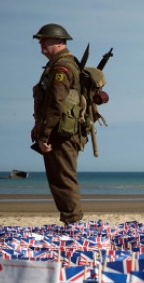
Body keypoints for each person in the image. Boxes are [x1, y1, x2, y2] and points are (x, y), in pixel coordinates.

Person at [31, 23, 85, 225]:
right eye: (40, 39)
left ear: (60, 42)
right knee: (60, 178)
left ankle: (73, 222)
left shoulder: (62, 67)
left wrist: (44, 135)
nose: (41, 43)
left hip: (60, 133)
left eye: (45, 39)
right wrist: (39, 126)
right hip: (60, 129)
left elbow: (56, 102)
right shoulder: (58, 65)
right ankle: (71, 221)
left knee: (62, 178)